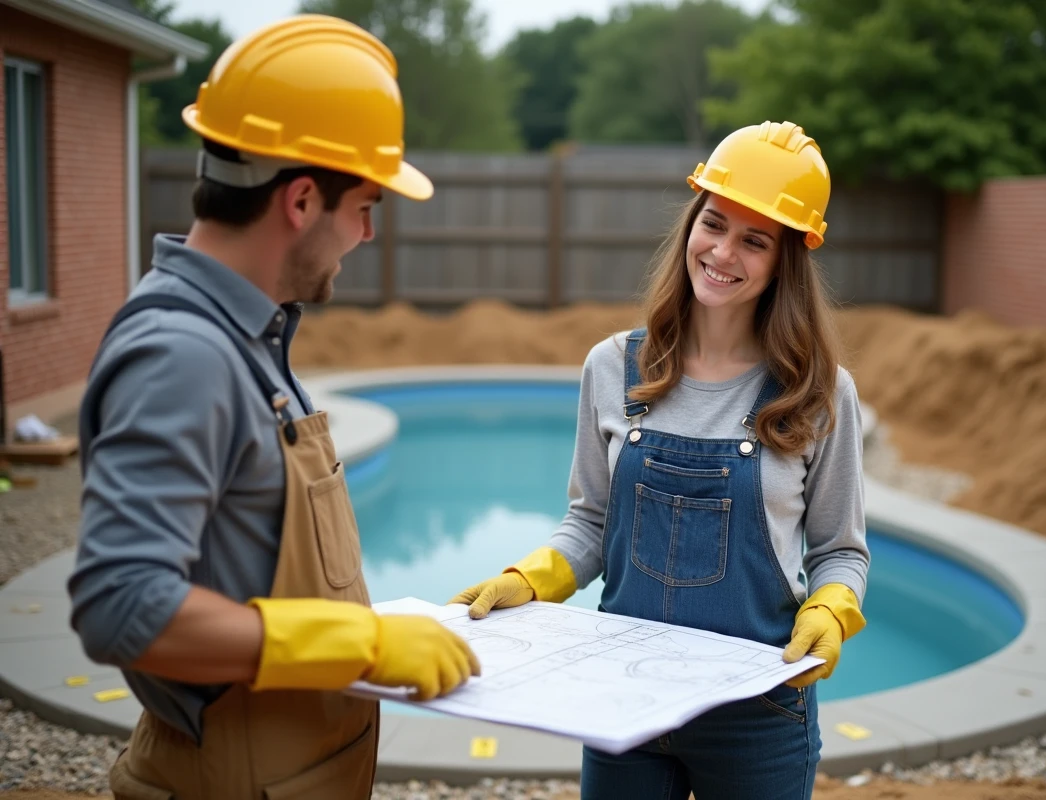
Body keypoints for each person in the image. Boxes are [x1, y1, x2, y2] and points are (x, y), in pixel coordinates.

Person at [67, 15, 479, 800]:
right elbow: (120, 605)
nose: (364, 234)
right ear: (298, 199)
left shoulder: (243, 335)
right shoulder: (183, 356)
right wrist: (354, 642)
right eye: (365, 206)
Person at [450, 120, 870, 800]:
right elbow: (590, 524)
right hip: (623, 704)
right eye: (714, 223)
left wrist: (830, 608)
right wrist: (530, 579)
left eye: (754, 240)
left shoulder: (820, 393)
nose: (723, 252)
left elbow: (841, 550)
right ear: (690, 225)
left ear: (785, 260)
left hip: (758, 716)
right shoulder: (614, 368)